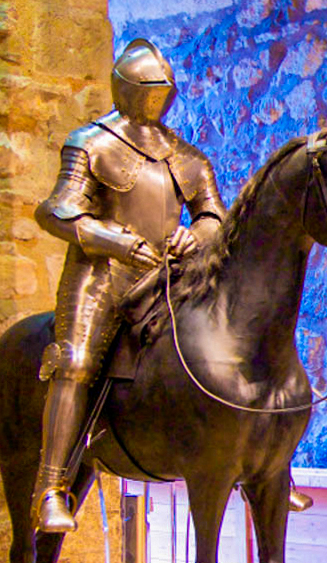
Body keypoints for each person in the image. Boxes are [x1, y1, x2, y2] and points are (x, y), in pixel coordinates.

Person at [30, 38, 227, 533]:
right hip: (102, 276)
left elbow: (214, 217)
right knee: (74, 362)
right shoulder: (91, 143)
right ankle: (51, 487)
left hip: (168, 276)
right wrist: (112, 241)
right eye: (148, 87)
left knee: (227, 345)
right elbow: (56, 209)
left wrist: (194, 235)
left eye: (162, 89)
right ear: (125, 88)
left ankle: (261, 466)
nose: (155, 97)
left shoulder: (187, 155)